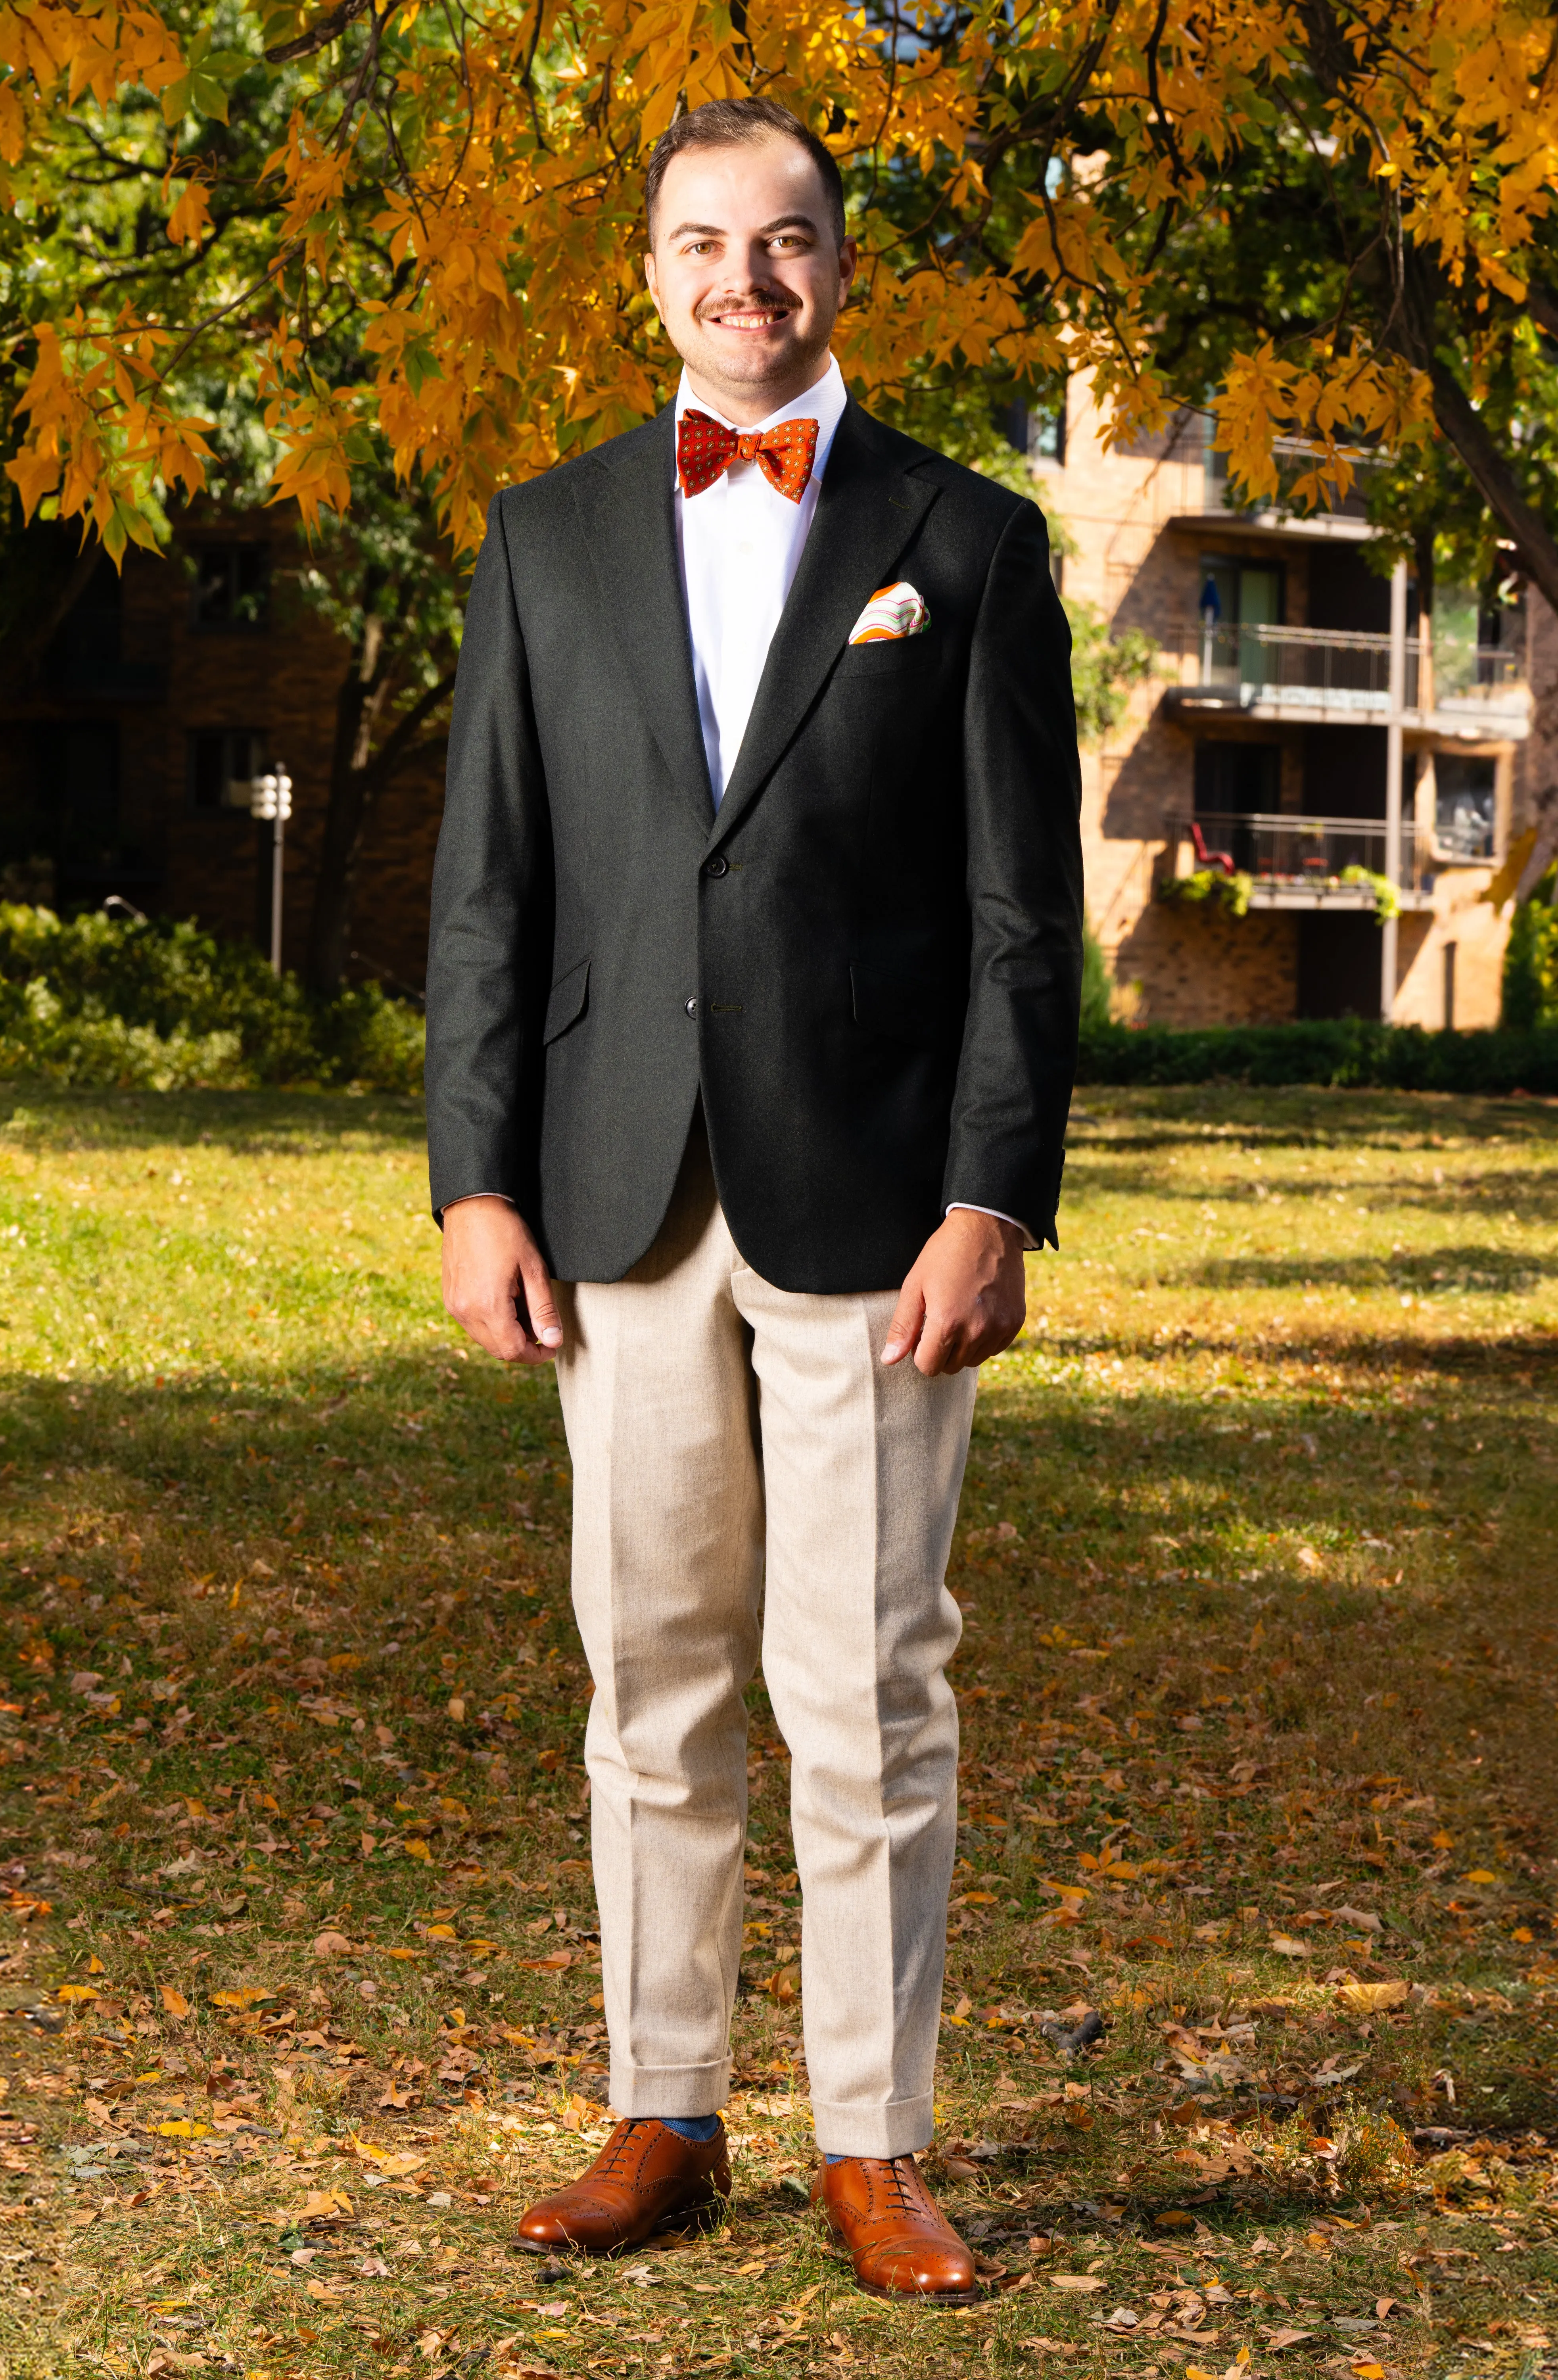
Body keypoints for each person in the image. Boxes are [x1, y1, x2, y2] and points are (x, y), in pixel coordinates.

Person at [426, 95, 1081, 2304]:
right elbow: (489, 892)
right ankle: (663, 2105)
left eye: (785, 240)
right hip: (614, 1200)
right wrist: (475, 1181)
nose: (745, 280)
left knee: (867, 1677)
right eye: (702, 241)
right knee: (650, 1672)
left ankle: (874, 2144)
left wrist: (994, 1194)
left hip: (877, 1208)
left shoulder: (964, 541)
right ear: (648, 269)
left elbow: (1021, 915)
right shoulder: (546, 538)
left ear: (839, 264)